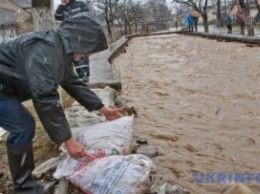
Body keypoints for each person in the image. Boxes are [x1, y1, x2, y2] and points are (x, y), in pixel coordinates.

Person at [0, 12, 123, 194]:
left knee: (21, 124)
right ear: (78, 41)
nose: (86, 56)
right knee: (23, 125)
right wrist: (68, 140)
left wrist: (103, 109)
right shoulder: (46, 51)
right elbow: (45, 99)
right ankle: (25, 188)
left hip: (6, 88)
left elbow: (72, 83)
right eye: (88, 50)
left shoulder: (59, 51)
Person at [55, 0, 91, 82]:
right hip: (70, 35)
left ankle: (85, 74)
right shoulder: (64, 8)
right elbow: (57, 16)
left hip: (81, 32)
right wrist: (62, 5)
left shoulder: (81, 4)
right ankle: (80, 75)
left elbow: (88, 16)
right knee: (75, 56)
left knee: (82, 54)